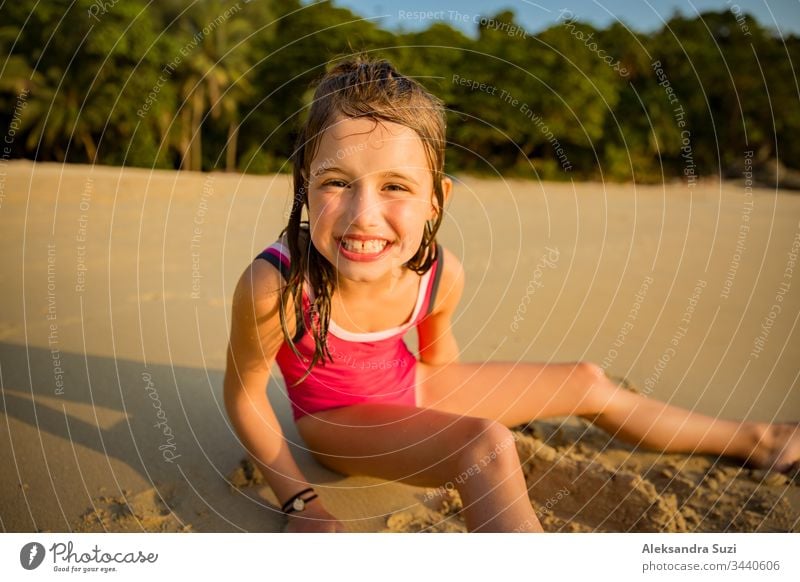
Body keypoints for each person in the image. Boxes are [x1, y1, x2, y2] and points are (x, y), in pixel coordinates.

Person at [223, 57, 800, 533]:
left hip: (414, 386)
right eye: (336, 182)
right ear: (305, 183)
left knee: (588, 380)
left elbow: (440, 367)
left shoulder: (440, 275)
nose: (362, 215)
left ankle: (758, 439)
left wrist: (482, 404)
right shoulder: (278, 286)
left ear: (436, 200)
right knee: (487, 447)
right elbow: (246, 397)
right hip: (337, 422)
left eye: (395, 186)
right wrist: (303, 504)